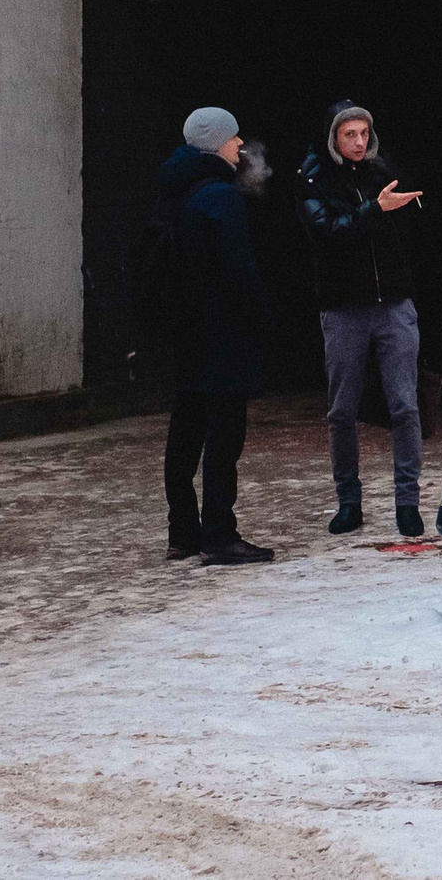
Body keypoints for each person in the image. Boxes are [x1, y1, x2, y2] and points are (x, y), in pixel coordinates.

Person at [297, 100, 428, 538]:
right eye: (349, 134)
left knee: (405, 405)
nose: (358, 142)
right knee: (342, 410)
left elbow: (411, 232)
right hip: (343, 308)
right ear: (333, 139)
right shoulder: (314, 177)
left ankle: (407, 502)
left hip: (393, 303)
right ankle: (348, 501)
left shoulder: (384, 171)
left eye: (363, 133)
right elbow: (327, 232)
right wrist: (375, 210)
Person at [156, 106, 276, 566]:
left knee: (185, 434)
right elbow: (239, 271)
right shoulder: (221, 197)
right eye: (233, 136)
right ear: (216, 143)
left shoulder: (172, 189)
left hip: (184, 332)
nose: (240, 143)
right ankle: (220, 533)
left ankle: (182, 533)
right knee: (224, 438)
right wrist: (261, 320)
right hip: (223, 335)